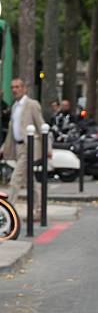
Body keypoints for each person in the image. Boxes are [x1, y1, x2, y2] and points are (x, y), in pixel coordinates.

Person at [0, 77, 52, 219]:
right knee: (30, 180)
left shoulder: (32, 104)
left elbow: (42, 126)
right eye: (13, 87)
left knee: (16, 178)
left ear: (24, 89)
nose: (15, 90)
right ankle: (40, 209)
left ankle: (7, 211)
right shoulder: (15, 106)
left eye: (17, 87)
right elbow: (13, 130)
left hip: (29, 147)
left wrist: (48, 148)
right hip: (18, 147)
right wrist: (4, 148)